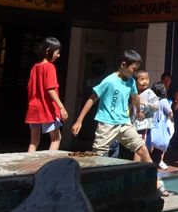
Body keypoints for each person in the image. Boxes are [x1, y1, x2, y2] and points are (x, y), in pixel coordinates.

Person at [71, 49, 168, 196]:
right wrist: (79, 120)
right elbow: (92, 99)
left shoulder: (130, 82)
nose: (134, 73)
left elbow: (135, 96)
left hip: (124, 123)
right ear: (123, 64)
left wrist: (138, 111)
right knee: (99, 156)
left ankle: (154, 180)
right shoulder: (109, 81)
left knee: (142, 148)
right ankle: (90, 188)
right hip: (107, 124)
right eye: (133, 69)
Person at [25, 36, 68, 152]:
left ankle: (28, 167)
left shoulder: (35, 67)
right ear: (48, 51)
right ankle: (50, 166)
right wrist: (61, 107)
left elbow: (30, 87)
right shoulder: (50, 67)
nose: (58, 56)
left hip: (33, 108)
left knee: (34, 142)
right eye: (57, 52)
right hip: (47, 109)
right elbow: (50, 89)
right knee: (56, 139)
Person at [149, 81, 174, 168]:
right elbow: (170, 113)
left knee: (151, 145)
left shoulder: (152, 99)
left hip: (151, 125)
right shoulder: (163, 100)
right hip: (160, 125)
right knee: (160, 145)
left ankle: (150, 163)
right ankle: (156, 163)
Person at [134, 68, 158, 149]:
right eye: (142, 79)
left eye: (147, 79)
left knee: (140, 146)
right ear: (136, 81)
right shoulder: (134, 93)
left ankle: (137, 162)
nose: (145, 81)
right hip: (134, 123)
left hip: (144, 125)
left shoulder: (149, 92)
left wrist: (145, 104)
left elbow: (156, 106)